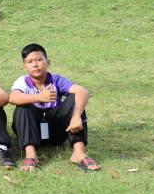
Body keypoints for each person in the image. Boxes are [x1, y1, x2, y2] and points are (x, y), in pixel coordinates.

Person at [9, 43, 99, 172]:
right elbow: (12, 98)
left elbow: (82, 92)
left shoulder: (56, 80)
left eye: (39, 60)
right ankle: (31, 154)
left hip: (57, 132)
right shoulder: (22, 82)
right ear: (25, 67)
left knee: (75, 99)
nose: (35, 64)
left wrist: (76, 116)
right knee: (22, 107)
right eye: (30, 62)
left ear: (48, 62)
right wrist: (39, 97)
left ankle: (79, 153)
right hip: (33, 132)